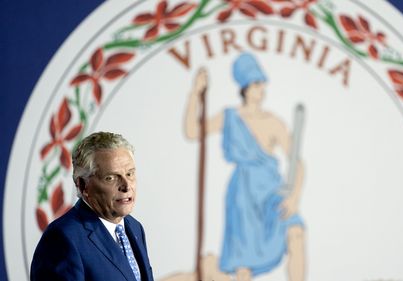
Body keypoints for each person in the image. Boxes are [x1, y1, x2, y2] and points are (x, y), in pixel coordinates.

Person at [184, 53, 306, 281]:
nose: (262, 89)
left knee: (296, 232)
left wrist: (295, 197)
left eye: (262, 84)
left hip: (272, 192)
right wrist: (195, 93)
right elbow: (192, 131)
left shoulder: (272, 121)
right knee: (243, 265)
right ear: (245, 87)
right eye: (257, 84)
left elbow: (297, 162)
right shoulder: (229, 117)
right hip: (243, 197)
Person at [30, 131, 154, 281]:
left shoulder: (134, 227)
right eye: (111, 178)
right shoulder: (62, 239)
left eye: (129, 174)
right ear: (83, 186)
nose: (126, 186)